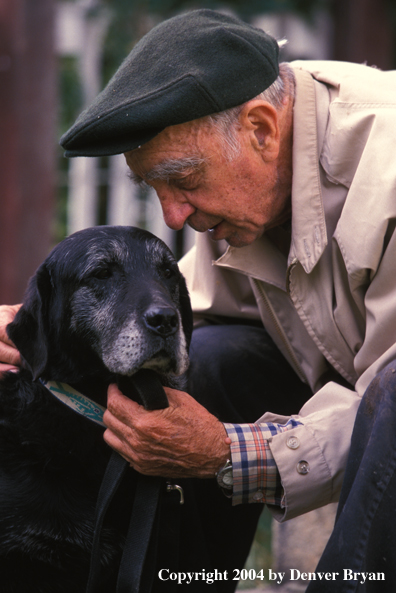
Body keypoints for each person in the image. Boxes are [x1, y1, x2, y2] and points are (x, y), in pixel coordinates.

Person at [1, 8, 396, 590]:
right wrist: (25, 328)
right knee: (212, 359)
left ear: (262, 129)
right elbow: (187, 304)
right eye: (155, 189)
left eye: (183, 180)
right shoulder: (262, 154)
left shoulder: (385, 173)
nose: (174, 215)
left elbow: (380, 400)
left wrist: (228, 455)